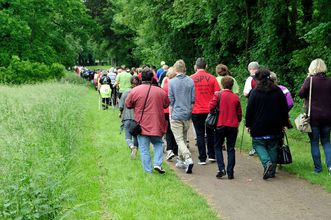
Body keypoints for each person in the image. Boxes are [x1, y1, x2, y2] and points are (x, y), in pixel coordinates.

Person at [245, 69, 289, 180]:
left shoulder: (254, 92)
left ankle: (267, 162)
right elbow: (284, 109)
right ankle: (272, 170)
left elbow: (249, 110)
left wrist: (248, 124)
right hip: (275, 125)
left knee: (258, 144)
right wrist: (285, 123)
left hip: (258, 125)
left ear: (258, 80)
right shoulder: (278, 91)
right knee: (273, 146)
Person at [125, 68, 170, 174]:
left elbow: (128, 104)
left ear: (141, 78)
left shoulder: (135, 91)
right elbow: (166, 104)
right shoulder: (160, 91)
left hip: (141, 125)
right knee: (158, 143)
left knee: (144, 149)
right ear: (152, 78)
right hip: (157, 123)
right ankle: (157, 163)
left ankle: (148, 171)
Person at [298, 58, 331, 175]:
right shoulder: (329, 81)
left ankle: (318, 169)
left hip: (313, 117)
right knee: (327, 142)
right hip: (328, 116)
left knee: (314, 142)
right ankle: (330, 167)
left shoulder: (310, 80)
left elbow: (300, 94)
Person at [209, 76, 242, 179]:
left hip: (220, 124)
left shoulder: (218, 95)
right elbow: (239, 114)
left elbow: (211, 107)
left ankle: (221, 169)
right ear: (232, 86)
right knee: (231, 148)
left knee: (218, 146)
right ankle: (230, 172)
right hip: (232, 125)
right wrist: (238, 121)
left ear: (222, 84)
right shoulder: (236, 97)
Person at [191, 58, 220, 165]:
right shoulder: (212, 78)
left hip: (196, 110)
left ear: (195, 66)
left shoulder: (191, 79)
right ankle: (212, 155)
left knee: (199, 135)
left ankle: (202, 158)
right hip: (210, 110)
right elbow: (217, 94)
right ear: (206, 66)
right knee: (211, 133)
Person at [169, 60, 195, 173]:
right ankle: (180, 160)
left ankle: (188, 158)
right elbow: (193, 99)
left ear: (175, 70)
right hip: (187, 113)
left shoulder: (171, 82)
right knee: (183, 138)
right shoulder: (190, 81)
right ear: (184, 68)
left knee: (179, 139)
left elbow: (171, 100)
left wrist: (171, 114)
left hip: (176, 113)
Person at [119, 76, 141, 159]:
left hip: (127, 117)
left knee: (128, 136)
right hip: (137, 118)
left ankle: (132, 147)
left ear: (130, 83)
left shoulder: (126, 92)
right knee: (136, 136)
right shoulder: (140, 92)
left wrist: (120, 113)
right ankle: (135, 148)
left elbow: (121, 106)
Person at [161, 67, 178, 161]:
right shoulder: (176, 83)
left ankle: (169, 149)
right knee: (175, 130)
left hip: (166, 110)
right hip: (175, 109)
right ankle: (175, 149)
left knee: (168, 131)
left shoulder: (165, 83)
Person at [243, 61, 260, 156]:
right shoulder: (265, 77)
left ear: (250, 69)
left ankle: (255, 148)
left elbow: (245, 93)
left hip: (253, 105)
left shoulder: (250, 79)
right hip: (266, 104)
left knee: (253, 125)